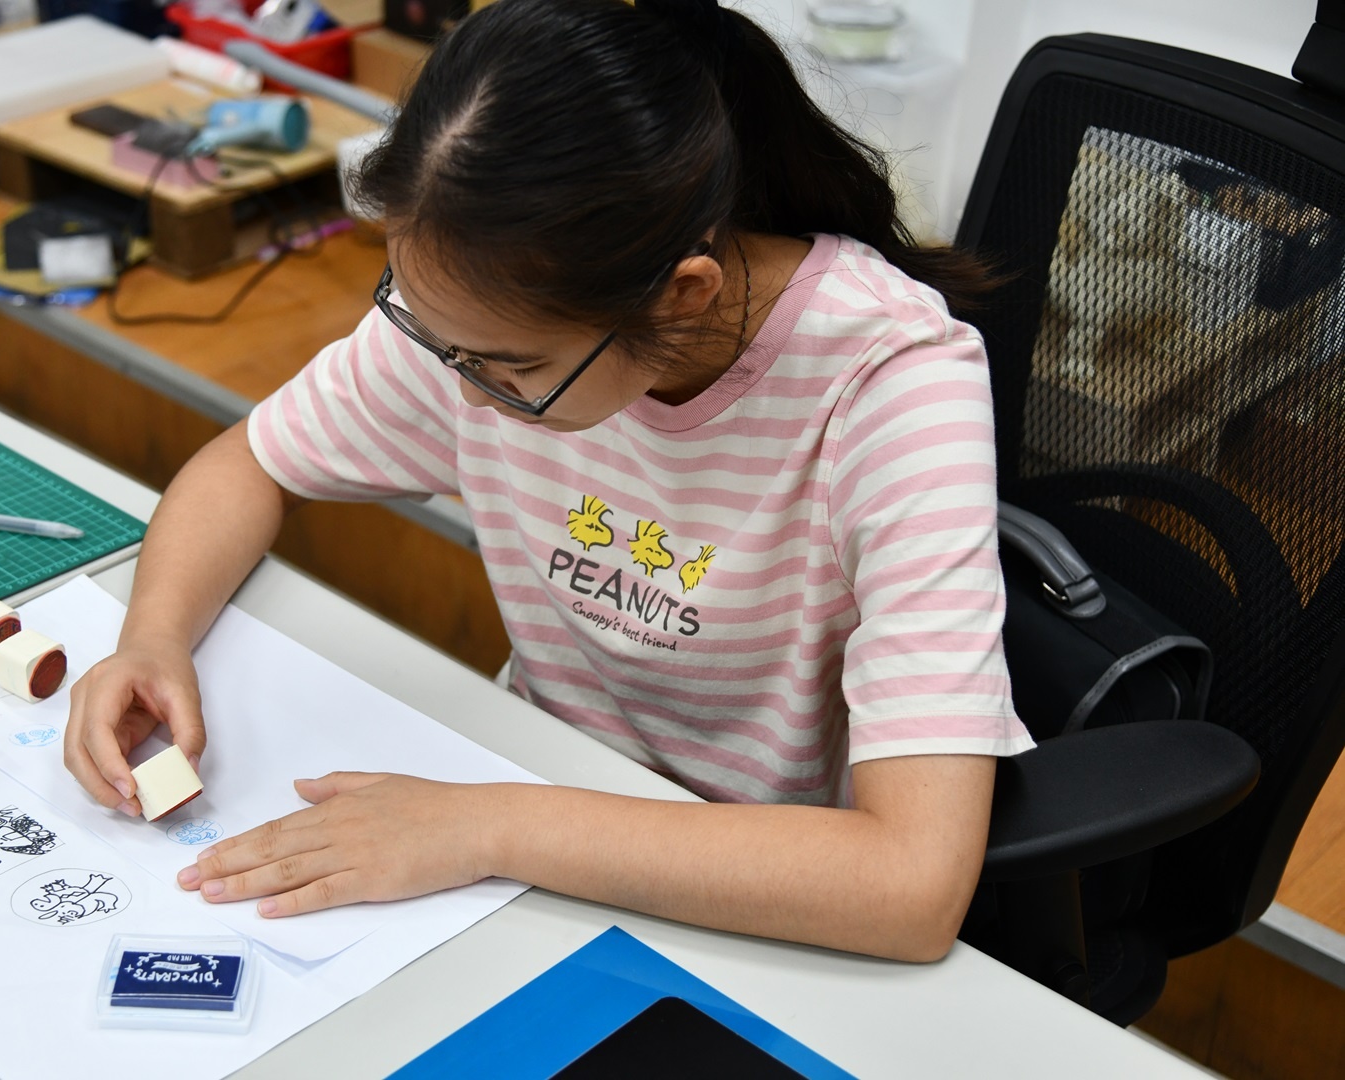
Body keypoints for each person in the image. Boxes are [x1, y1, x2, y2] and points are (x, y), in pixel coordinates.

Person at [65, 0, 1034, 963]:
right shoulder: (478, 313)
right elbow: (249, 462)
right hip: (537, 819)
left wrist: (485, 829)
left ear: (682, 295)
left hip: (762, 905)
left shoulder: (891, 385)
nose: (465, 397)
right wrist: (151, 639)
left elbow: (911, 882)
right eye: (437, 340)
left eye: (509, 373)